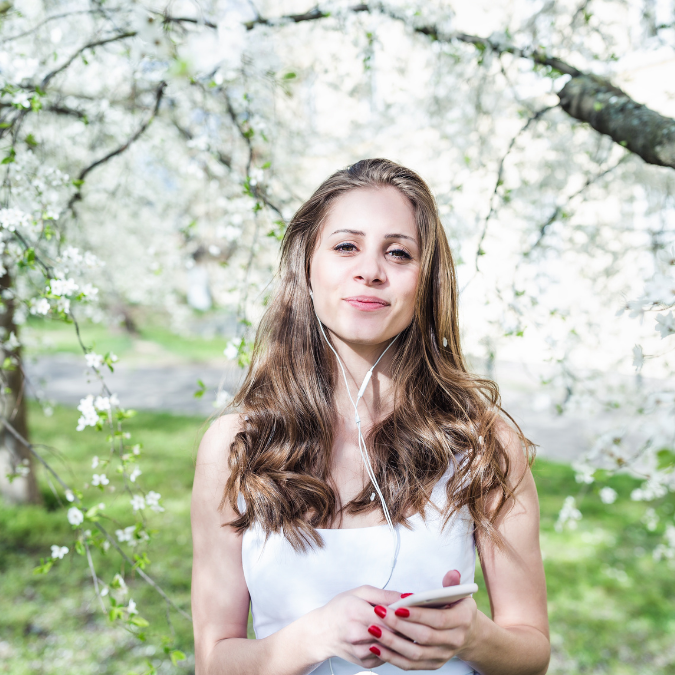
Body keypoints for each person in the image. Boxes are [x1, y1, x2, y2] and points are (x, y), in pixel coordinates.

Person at [191, 158, 550, 675]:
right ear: (307, 266)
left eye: (398, 252)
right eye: (345, 246)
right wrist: (313, 636)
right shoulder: (237, 445)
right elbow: (214, 660)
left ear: (426, 281)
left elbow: (531, 651)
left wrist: (474, 637)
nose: (370, 270)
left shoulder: (483, 441)